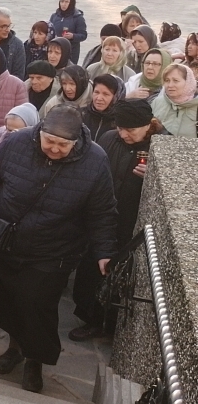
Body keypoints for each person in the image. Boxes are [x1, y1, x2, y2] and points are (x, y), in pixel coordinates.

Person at [0, 105, 117, 393]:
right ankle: (15, 348)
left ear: (76, 141)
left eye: (62, 145)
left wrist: (104, 252)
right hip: (9, 240)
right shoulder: (17, 142)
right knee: (9, 300)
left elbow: (103, 211)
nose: (54, 149)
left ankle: (35, 360)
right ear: (39, 132)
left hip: (55, 250)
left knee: (36, 307)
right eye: (49, 141)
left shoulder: (95, 160)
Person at [70, 99, 162, 341]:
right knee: (92, 270)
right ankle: (90, 317)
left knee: (120, 276)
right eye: (120, 128)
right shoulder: (110, 139)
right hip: (101, 216)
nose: (123, 134)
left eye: (130, 130)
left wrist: (154, 176)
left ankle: (111, 324)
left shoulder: (162, 146)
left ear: (148, 125)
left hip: (132, 223)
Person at [151, 63, 198, 137]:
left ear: (188, 82)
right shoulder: (157, 102)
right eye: (167, 80)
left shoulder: (195, 106)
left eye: (175, 81)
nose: (170, 85)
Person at [47, 0, 88, 65]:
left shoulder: (78, 18)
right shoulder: (54, 16)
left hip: (71, 51)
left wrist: (73, 36)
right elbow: (49, 31)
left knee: (68, 69)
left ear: (71, 3)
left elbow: (83, 35)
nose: (63, 4)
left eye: (66, 2)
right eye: (62, 1)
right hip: (55, 50)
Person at [81, 74, 124, 141]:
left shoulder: (120, 120)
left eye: (106, 94)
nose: (99, 98)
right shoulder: (81, 115)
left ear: (115, 97)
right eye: (96, 92)